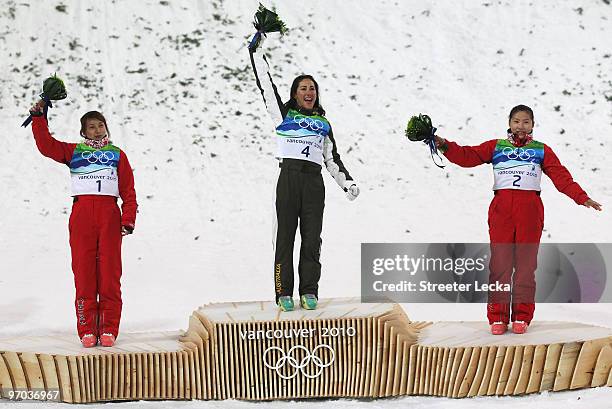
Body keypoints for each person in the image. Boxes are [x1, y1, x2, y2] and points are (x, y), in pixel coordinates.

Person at [434, 105, 601, 335]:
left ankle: (522, 316)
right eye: (516, 121)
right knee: (500, 266)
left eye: (525, 122)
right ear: (509, 123)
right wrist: (442, 143)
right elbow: (467, 156)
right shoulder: (496, 147)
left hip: (530, 211)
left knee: (525, 266)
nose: (520, 126)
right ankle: (498, 318)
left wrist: (583, 198)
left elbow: (562, 178)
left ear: (532, 125)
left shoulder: (541, 150)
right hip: (502, 210)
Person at [249, 35, 360, 312]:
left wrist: (347, 184)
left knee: (312, 238)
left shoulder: (323, 123)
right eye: (303, 88)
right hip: (288, 178)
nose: (308, 92)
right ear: (295, 93)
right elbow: (265, 84)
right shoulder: (283, 114)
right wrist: (256, 49)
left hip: (313, 182)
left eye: (312, 88)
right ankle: (282, 292)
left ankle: (309, 291)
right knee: (284, 237)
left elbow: (332, 158)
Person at [29, 101, 138, 347]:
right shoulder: (74, 152)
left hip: (109, 215)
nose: (98, 130)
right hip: (82, 217)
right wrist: (38, 118)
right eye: (92, 127)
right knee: (84, 273)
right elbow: (47, 146)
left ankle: (109, 329)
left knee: (110, 274)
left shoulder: (117, 154)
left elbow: (129, 191)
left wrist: (127, 219)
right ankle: (87, 329)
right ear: (83, 132)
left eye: (101, 125)